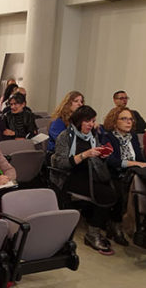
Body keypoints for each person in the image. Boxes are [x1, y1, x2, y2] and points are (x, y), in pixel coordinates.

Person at [51, 105, 119, 254]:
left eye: (93, 121)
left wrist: (103, 154)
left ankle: (100, 226)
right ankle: (93, 233)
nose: (91, 124)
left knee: (116, 190)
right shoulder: (65, 136)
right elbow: (61, 163)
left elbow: (96, 157)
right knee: (106, 194)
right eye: (87, 121)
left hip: (91, 174)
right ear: (79, 121)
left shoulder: (92, 136)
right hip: (70, 176)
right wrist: (84, 155)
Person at [100, 106, 146, 245]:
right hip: (115, 174)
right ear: (114, 121)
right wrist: (133, 164)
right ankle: (116, 224)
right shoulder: (107, 137)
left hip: (133, 173)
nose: (128, 122)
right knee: (121, 190)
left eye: (130, 119)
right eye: (124, 119)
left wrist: (145, 164)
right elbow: (111, 161)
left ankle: (143, 226)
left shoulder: (133, 137)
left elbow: (140, 159)